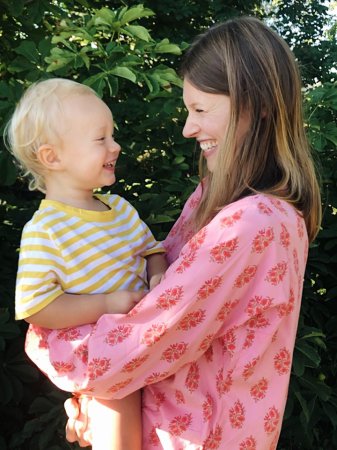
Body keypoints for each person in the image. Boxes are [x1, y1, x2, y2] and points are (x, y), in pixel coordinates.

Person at [22, 16, 321, 449]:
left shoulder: (253, 222)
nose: (188, 128)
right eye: (188, 110)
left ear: (257, 105)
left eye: (201, 110)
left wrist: (48, 333)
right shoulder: (214, 199)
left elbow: (136, 348)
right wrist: (96, 410)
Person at [5, 78, 169, 450]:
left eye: (112, 136)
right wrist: (107, 304)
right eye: (101, 139)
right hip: (98, 349)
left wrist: (158, 274)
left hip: (140, 337)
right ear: (52, 157)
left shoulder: (121, 210)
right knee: (119, 415)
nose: (116, 146)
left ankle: (83, 417)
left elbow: (151, 250)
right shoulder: (46, 229)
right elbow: (37, 307)